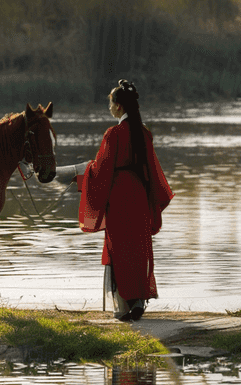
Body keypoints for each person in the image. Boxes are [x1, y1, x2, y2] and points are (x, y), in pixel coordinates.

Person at [58, 79, 174, 321]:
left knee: (119, 249)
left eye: (111, 103)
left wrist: (80, 177)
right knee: (138, 248)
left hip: (119, 196)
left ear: (119, 107)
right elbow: (153, 170)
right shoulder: (144, 133)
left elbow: (101, 171)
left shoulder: (114, 134)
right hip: (140, 195)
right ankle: (139, 301)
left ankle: (123, 306)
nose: (109, 108)